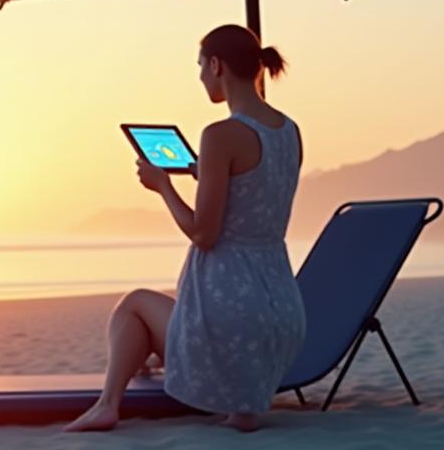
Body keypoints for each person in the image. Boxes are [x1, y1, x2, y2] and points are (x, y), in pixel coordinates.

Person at [65, 24, 307, 433]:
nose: (199, 77)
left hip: (232, 312)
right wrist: (205, 172)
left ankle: (107, 405)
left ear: (216, 66)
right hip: (282, 313)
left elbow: (203, 234)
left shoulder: (220, 135)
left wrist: (163, 186)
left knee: (134, 305)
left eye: (199, 66)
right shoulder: (289, 131)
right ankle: (242, 411)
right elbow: (256, 195)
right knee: (171, 319)